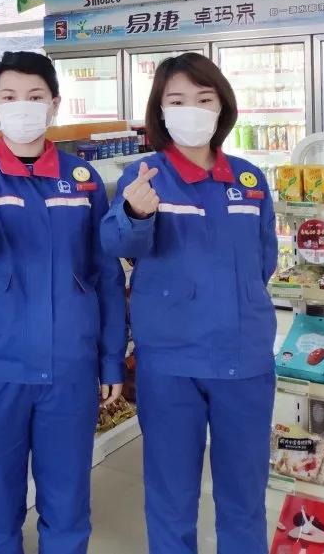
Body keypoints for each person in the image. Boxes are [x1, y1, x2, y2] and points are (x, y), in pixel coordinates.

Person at [0, 51, 127, 554]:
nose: (23, 106)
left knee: (67, 505)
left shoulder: (82, 180)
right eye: (10, 96)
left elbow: (106, 275)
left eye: (35, 96)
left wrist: (111, 359)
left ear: (54, 104)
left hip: (69, 369)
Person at [100, 52, 277, 554]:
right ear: (160, 110)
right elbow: (115, 244)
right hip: (170, 362)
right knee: (171, 495)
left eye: (203, 99)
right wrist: (136, 213)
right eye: (176, 101)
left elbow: (264, 260)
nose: (191, 111)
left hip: (243, 360)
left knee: (244, 496)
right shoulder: (144, 176)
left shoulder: (248, 180)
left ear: (222, 107)